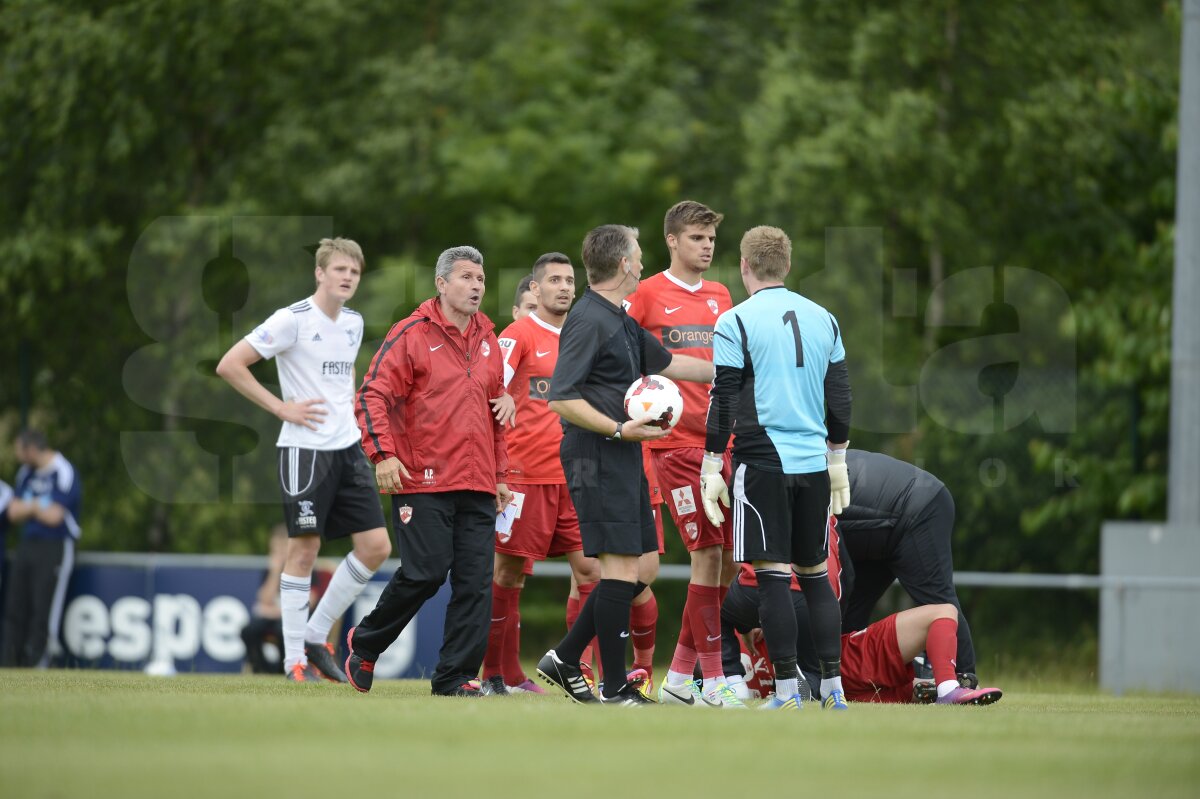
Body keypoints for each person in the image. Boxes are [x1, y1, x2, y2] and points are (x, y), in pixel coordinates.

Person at [535, 224, 715, 706]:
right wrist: (617, 430)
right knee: (616, 571)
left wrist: (738, 367)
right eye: (638, 254)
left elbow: (671, 364)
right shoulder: (588, 319)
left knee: (641, 568)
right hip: (597, 454)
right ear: (623, 265)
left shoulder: (620, 317)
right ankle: (616, 688)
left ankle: (566, 658)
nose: (642, 261)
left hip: (625, 452)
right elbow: (561, 399)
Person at [216, 237, 392, 683]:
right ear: (320, 273)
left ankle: (315, 635)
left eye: (354, 271)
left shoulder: (353, 322)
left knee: (376, 548)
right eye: (339, 270)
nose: (348, 277)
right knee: (304, 550)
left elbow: (345, 376)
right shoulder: (291, 320)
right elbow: (230, 364)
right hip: (303, 450)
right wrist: (281, 408)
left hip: (347, 448)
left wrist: (348, 413)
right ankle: (293, 658)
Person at [346, 245, 515, 698]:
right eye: (466, 277)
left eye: (481, 278)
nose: (477, 285)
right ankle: (365, 643)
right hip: (422, 480)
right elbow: (371, 396)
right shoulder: (412, 334)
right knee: (425, 573)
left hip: (478, 483)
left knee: (476, 585)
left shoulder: (489, 341)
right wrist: (383, 455)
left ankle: (455, 678)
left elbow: (497, 412)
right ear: (441, 284)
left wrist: (501, 474)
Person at [700, 225, 853, 711]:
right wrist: (839, 459)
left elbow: (723, 400)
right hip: (813, 466)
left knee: (770, 577)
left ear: (744, 266)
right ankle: (834, 690)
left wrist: (709, 464)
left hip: (763, 463)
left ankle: (787, 691)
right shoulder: (824, 318)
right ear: (787, 266)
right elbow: (841, 400)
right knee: (814, 576)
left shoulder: (735, 321)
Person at [625, 200, 737, 707]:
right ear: (672, 240)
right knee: (706, 554)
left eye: (711, 237)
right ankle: (711, 682)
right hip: (673, 447)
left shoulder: (721, 295)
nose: (707, 245)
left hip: (722, 442)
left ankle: (679, 676)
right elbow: (620, 358)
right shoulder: (645, 295)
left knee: (730, 560)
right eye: (697, 237)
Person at [720, 520, 1003, 705]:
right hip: (843, 658)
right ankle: (945, 687)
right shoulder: (815, 512)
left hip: (838, 660)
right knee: (943, 613)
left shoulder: (733, 634)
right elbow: (842, 581)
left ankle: (927, 687)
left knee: (942, 616)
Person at [484, 253, 600, 695]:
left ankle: (576, 668)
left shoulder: (583, 335)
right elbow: (485, 388)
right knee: (508, 575)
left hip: (575, 476)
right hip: (524, 476)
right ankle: (498, 673)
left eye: (570, 280)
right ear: (535, 289)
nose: (564, 287)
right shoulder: (519, 333)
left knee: (591, 571)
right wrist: (503, 402)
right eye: (554, 280)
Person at [837, 449, 980, 685]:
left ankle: (964, 680)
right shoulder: (796, 469)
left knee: (938, 601)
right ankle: (843, 681)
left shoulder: (795, 481)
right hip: (880, 529)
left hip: (916, 509)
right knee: (847, 614)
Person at [2, 430, 81, 668]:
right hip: (28, 545)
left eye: (19, 450)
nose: (17, 456)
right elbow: (13, 512)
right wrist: (40, 504)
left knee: (43, 607)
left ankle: (38, 661)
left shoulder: (63, 471)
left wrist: (31, 505)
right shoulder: (25, 473)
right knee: (14, 604)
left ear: (32, 449)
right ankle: (7, 663)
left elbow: (55, 516)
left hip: (55, 545)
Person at [239, 525, 334, 674]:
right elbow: (264, 599)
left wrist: (275, 611)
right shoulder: (270, 569)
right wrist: (275, 571)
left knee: (281, 630)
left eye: (282, 547)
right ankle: (261, 668)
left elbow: (310, 601)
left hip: (296, 617)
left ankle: (284, 669)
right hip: (274, 615)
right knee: (249, 631)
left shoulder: (305, 566)